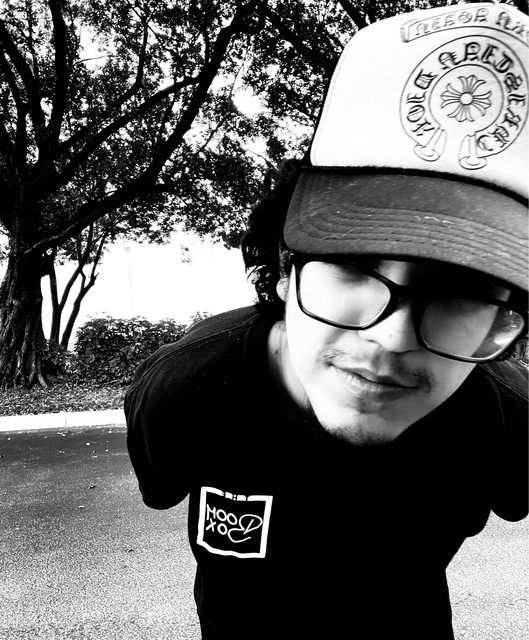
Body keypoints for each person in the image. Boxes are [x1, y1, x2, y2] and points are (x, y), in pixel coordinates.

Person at [125, 2, 528, 638]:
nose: (390, 339)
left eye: (465, 292)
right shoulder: (183, 390)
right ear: (284, 271)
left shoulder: (506, 420)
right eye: (352, 265)